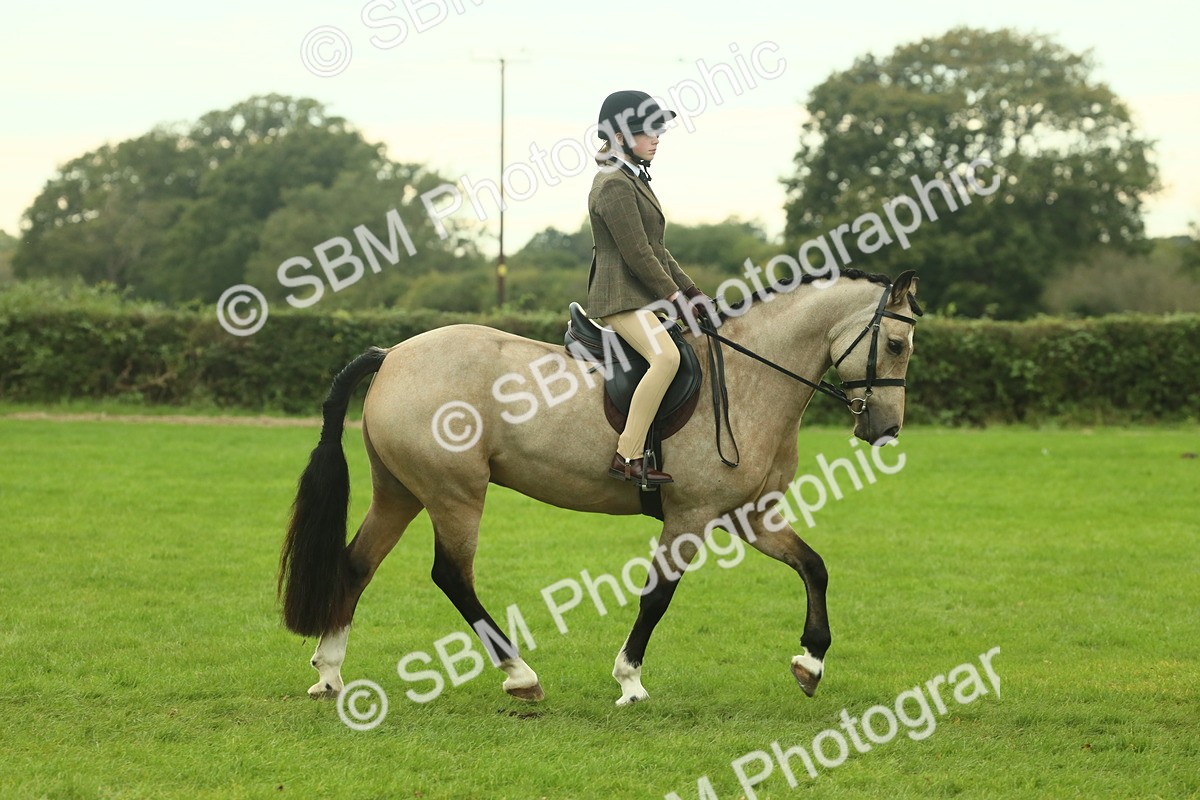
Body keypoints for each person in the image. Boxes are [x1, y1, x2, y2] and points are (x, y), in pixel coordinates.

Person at [586, 90, 712, 485]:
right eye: (647, 131)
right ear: (620, 137)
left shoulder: (632, 178)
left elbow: (659, 249)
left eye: (658, 130)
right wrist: (674, 297)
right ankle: (628, 455)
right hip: (620, 297)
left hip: (639, 297)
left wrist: (692, 292)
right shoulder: (613, 185)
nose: (656, 137)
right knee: (666, 359)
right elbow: (638, 254)